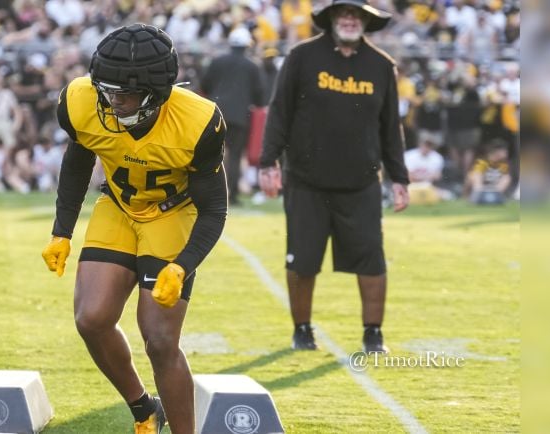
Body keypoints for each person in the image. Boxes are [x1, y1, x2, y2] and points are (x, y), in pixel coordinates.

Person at [41, 24, 227, 434]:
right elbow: (77, 163)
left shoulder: (196, 122)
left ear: (154, 94)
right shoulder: (81, 101)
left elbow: (214, 210)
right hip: (119, 206)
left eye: (121, 94)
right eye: (104, 89)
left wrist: (182, 266)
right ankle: (145, 409)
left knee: (160, 340)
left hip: (172, 213)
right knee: (91, 318)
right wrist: (62, 231)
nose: (109, 100)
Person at [258, 0, 410, 354]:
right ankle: (302, 330)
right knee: (302, 260)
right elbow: (279, 111)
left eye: (357, 14)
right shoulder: (302, 57)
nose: (349, 19)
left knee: (372, 258)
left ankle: (373, 333)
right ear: (330, 19)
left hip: (361, 183)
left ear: (366, 22)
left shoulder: (381, 66)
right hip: (306, 181)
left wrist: (399, 178)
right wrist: (269, 162)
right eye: (343, 13)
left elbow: (390, 128)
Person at [201, 26, 264, 206]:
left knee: (210, 155)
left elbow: (205, 85)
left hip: (215, 113)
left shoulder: (217, 61)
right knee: (235, 156)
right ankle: (232, 196)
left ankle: (207, 194)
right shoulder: (252, 66)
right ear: (246, 45)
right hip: (239, 117)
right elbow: (259, 95)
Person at [467, 138, 511, 205]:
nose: (506, 153)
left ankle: (498, 196)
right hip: (481, 188)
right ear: (497, 151)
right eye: (504, 151)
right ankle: (477, 197)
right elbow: (476, 175)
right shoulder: (483, 162)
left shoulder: (504, 164)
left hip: (495, 189)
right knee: (473, 175)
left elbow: (505, 178)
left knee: (507, 177)